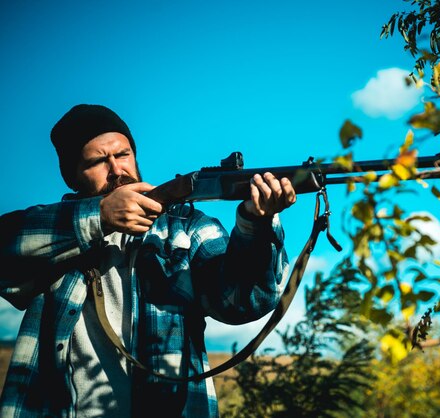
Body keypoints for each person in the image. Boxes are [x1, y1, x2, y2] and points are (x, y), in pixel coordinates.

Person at [0, 104, 296, 417]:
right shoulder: (53, 232)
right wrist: (99, 218)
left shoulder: (186, 226)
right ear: (73, 177)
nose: (116, 170)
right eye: (98, 161)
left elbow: (242, 301)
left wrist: (255, 223)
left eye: (123, 154)